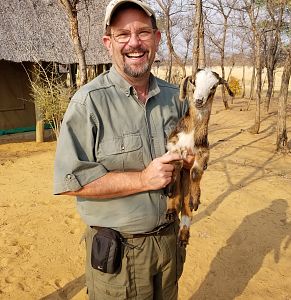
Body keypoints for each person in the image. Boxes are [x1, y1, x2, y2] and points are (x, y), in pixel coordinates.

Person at [54, 0, 193, 299]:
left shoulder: (175, 98)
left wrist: (190, 163)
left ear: (156, 39)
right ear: (108, 42)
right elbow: (69, 181)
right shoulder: (88, 103)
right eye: (122, 34)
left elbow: (189, 163)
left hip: (169, 247)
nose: (134, 43)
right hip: (119, 257)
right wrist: (143, 179)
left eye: (143, 32)